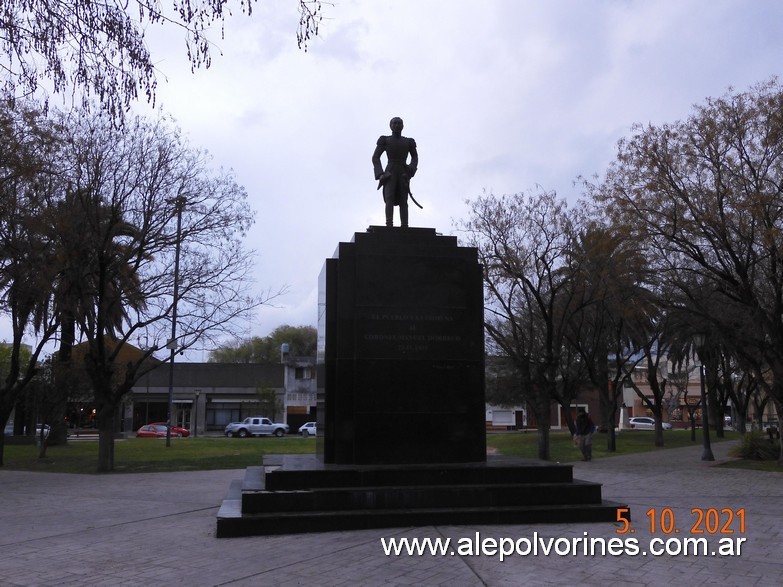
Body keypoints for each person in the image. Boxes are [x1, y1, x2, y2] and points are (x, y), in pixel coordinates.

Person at [372, 117, 418, 227]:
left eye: (399, 123)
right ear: (390, 125)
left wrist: (411, 169)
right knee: (389, 198)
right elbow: (375, 157)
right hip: (390, 172)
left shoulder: (408, 141)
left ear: (403, 126)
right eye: (394, 123)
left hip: (403, 171)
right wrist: (381, 173)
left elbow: (415, 156)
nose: (397, 125)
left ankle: (405, 225)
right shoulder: (385, 140)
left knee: (404, 199)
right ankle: (389, 224)